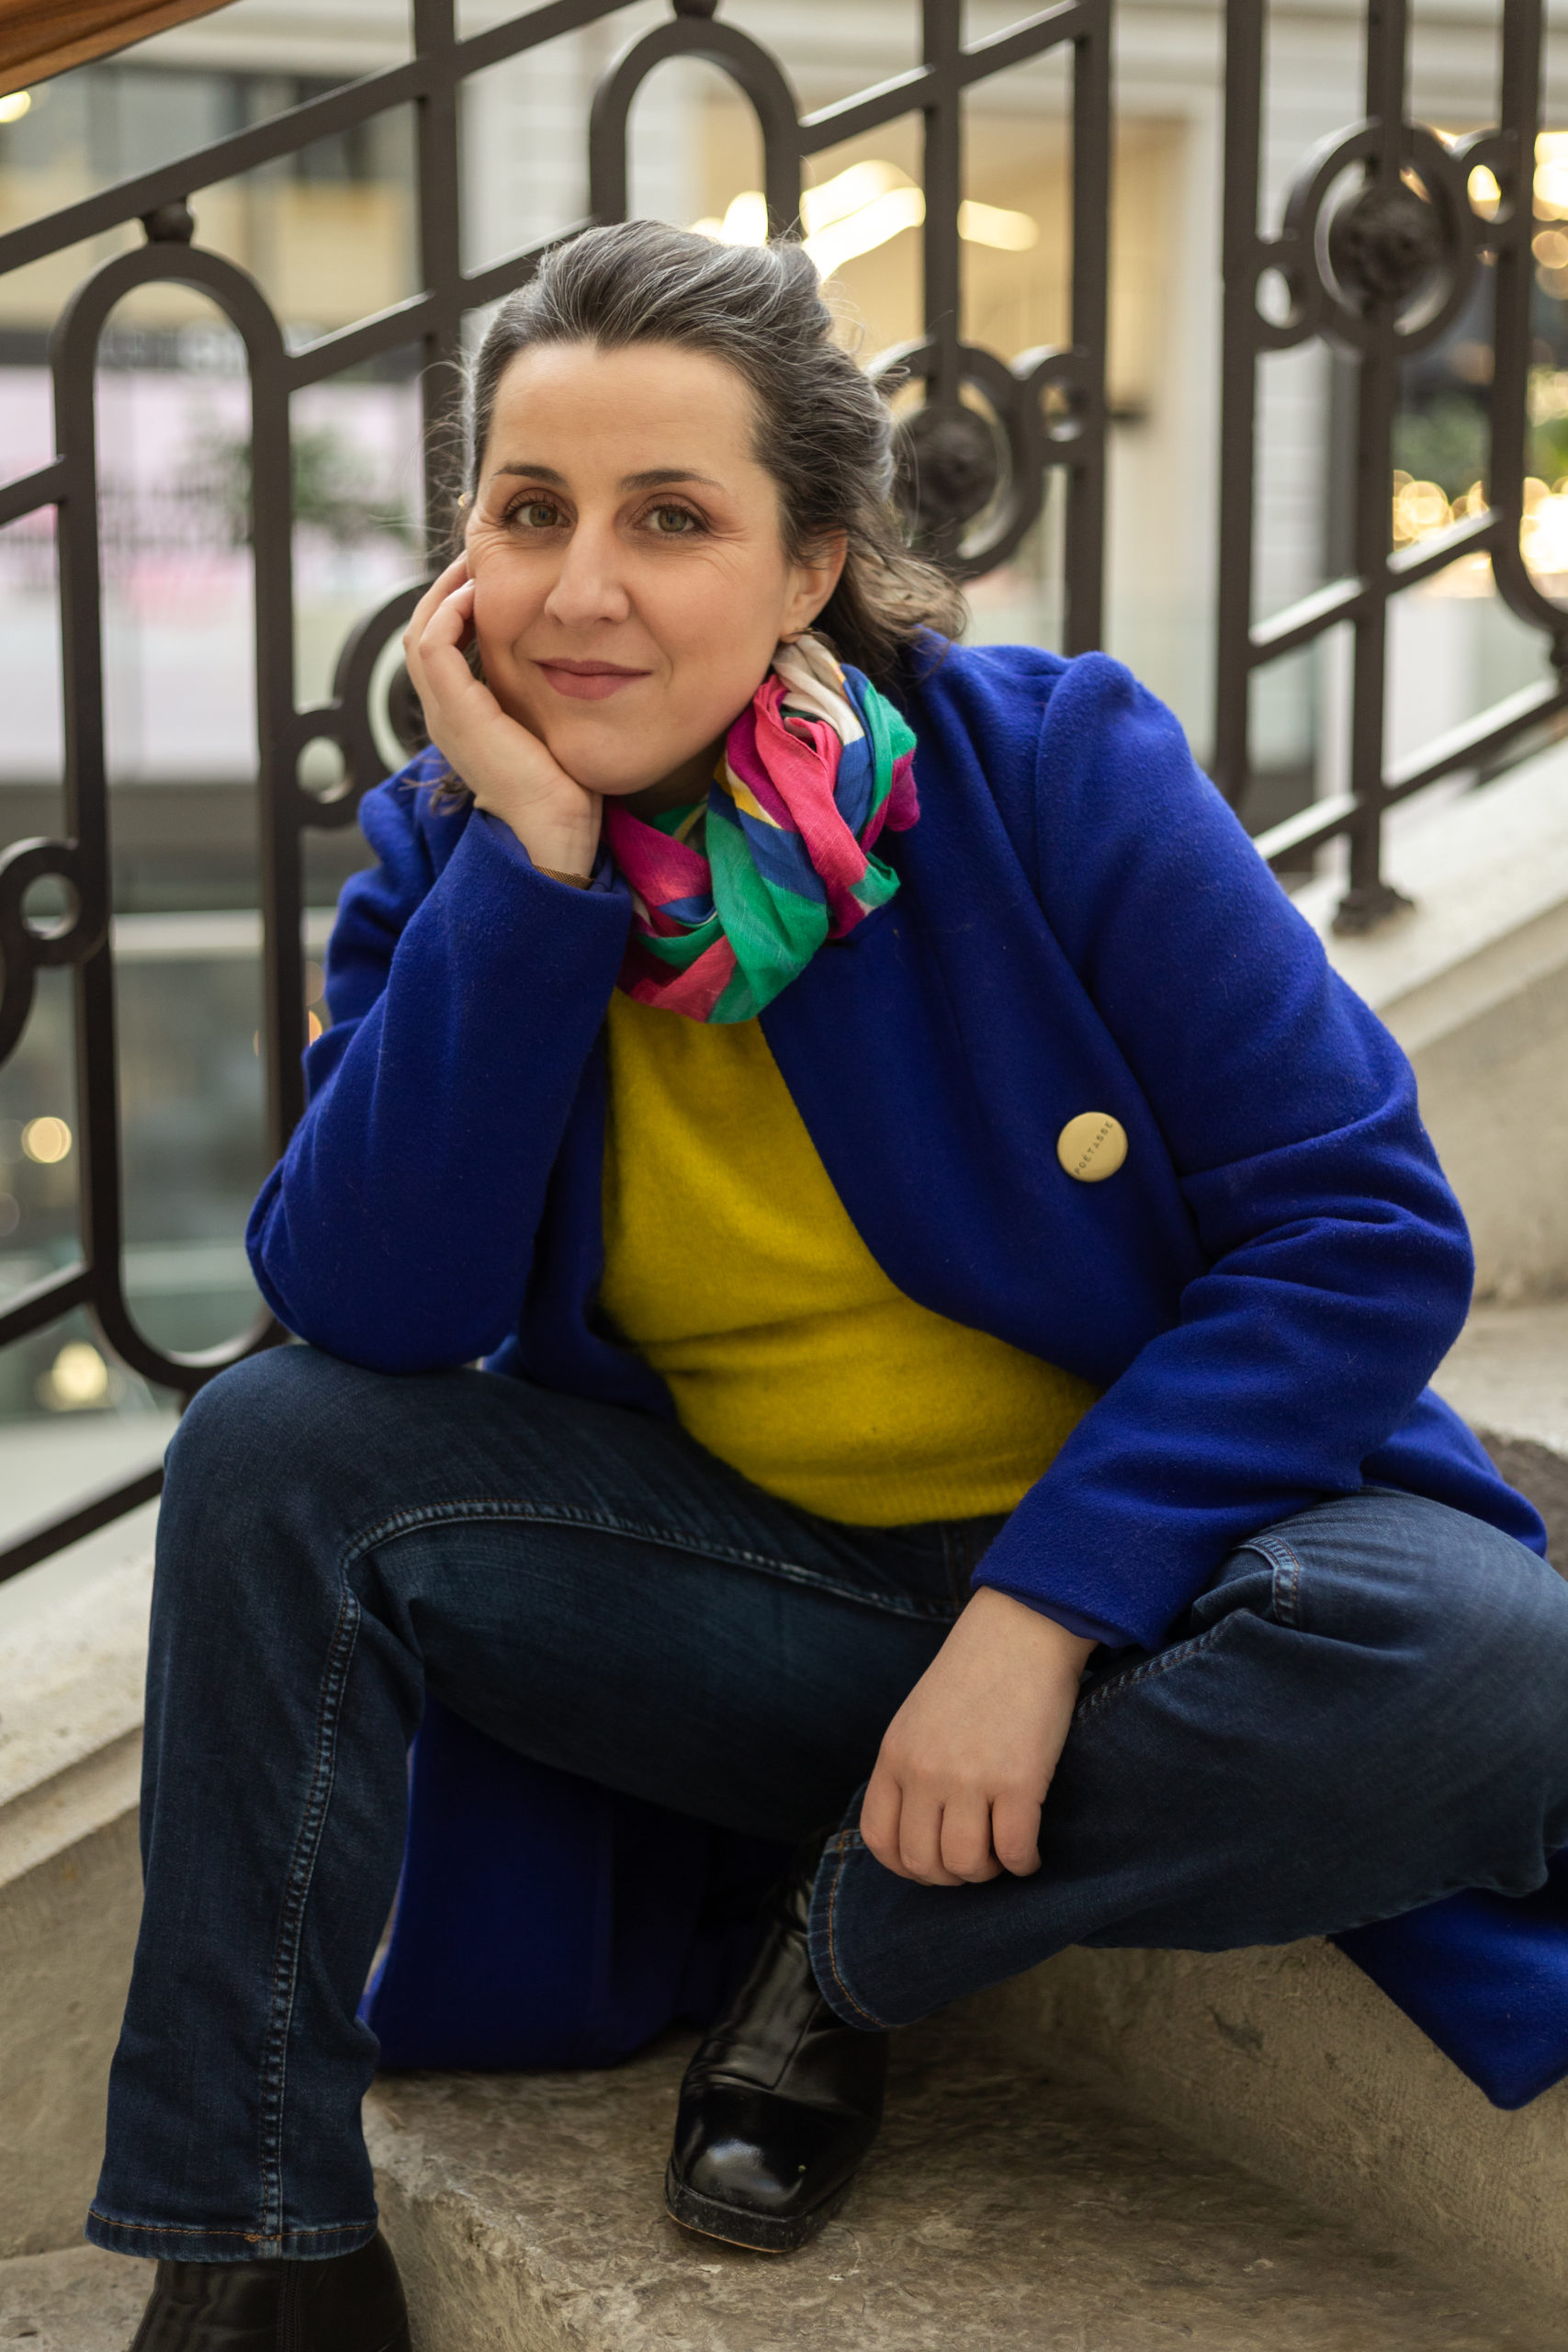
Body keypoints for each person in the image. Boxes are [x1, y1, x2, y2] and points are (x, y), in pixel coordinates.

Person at [95, 220, 1568, 2351]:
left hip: (1156, 1591)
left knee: (1483, 1660)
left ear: (807, 563)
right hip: (748, 1598)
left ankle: (843, 1942)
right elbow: (370, 1310)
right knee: (267, 1447)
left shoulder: (1047, 768)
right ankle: (253, 2248)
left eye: (668, 518)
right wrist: (534, 867)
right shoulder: (455, 850)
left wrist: (1040, 1612)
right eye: (530, 511)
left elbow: (1355, 1228)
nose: (578, 589)